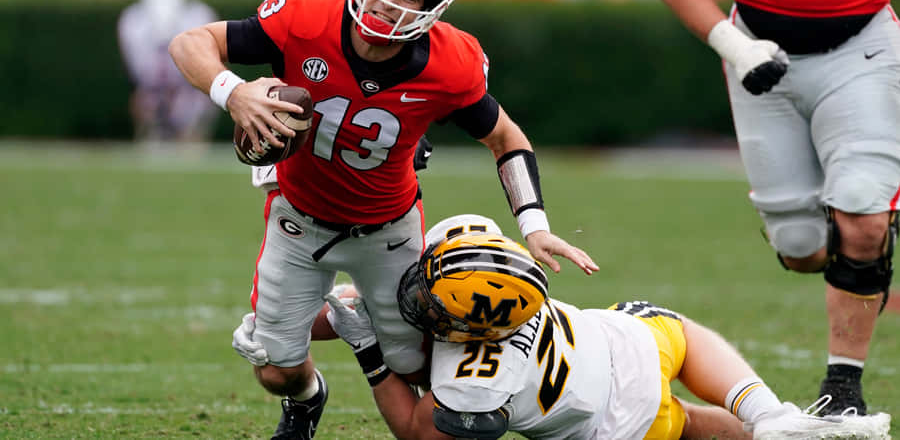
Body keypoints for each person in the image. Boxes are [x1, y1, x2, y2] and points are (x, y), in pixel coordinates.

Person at [168, 0, 598, 437]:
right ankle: (309, 398)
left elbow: (505, 138)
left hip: (387, 230)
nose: (387, 0)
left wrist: (535, 225)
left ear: (433, 5)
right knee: (275, 370)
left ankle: (393, 337)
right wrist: (234, 91)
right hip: (297, 219)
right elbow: (189, 43)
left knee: (414, 364)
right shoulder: (306, 12)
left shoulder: (449, 63)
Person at [318, 214, 892, 440]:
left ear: (467, 328)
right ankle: (769, 417)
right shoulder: (492, 274)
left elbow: (419, 433)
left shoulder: (476, 379)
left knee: (685, 422)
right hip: (630, 336)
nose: (420, 292)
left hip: (614, 419)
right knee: (682, 335)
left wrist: (367, 350)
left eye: (433, 296)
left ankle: (765, 426)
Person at [654, 0, 900, 416]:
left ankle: (843, 387)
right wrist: (735, 47)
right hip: (756, 50)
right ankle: (854, 234)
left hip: (864, 51)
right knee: (801, 247)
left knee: (864, 215)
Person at [118, 0, 218, 143]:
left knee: (198, 103)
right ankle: (151, 139)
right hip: (155, 92)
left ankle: (192, 142)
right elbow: (140, 78)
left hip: (187, 92)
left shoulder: (198, 21)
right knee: (144, 103)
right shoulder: (134, 28)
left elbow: (206, 75)